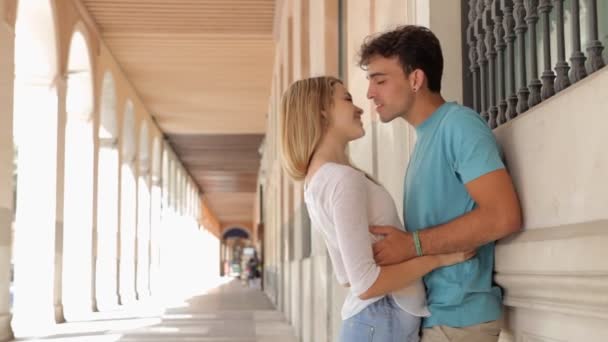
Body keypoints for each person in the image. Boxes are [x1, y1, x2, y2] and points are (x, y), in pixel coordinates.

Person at [358, 25, 522, 342]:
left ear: (416, 79)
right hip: (436, 318)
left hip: (459, 320)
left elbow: (504, 215)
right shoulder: (424, 140)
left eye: (380, 80)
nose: (370, 93)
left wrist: (412, 244)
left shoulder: (459, 126)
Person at [280, 76, 473, 342]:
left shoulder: (318, 181)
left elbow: (346, 274)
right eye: (347, 99)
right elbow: (364, 284)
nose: (359, 108)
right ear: (321, 110)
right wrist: (439, 258)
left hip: (377, 324)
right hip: (381, 322)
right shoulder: (341, 179)